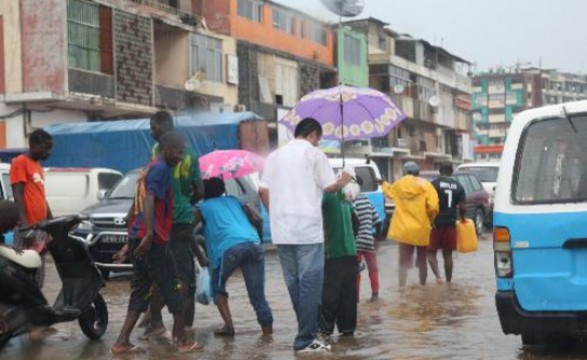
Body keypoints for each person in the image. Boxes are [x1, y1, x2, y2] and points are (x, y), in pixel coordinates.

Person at [259, 118, 352, 353]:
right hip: (308, 230)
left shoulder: (274, 156)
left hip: (282, 231)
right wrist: (345, 178)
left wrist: (276, 214)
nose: (318, 143)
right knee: (310, 285)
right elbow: (330, 186)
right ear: (313, 134)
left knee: (294, 284)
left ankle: (305, 334)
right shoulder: (313, 154)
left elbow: (262, 189)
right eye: (318, 140)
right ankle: (304, 340)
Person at [111, 131, 203, 354]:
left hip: (139, 237)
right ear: (168, 149)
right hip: (152, 240)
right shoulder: (161, 170)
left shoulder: (147, 169)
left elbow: (135, 207)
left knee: (140, 290)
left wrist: (129, 242)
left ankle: (121, 342)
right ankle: (181, 341)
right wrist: (150, 235)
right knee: (174, 286)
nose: (181, 158)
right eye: (179, 153)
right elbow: (150, 200)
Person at [195, 177, 273, 337]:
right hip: (254, 244)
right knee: (257, 295)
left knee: (217, 286)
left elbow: (187, 227)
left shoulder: (202, 207)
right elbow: (258, 218)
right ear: (222, 188)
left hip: (229, 248)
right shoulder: (234, 200)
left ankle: (229, 327)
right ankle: (268, 334)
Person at [382, 161, 439, 287]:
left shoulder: (400, 184)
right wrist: (430, 220)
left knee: (403, 262)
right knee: (422, 261)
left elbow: (389, 192)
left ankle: (401, 288)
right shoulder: (427, 186)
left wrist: (383, 183)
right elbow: (433, 207)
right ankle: (423, 286)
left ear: (405, 172)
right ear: (418, 172)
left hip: (404, 230)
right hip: (421, 229)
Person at [10, 129, 54, 288]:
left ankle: (36, 309)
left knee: (38, 275)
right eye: (45, 148)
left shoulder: (37, 166)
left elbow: (41, 196)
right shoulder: (20, 162)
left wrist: (52, 223)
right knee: (23, 273)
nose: (48, 152)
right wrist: (24, 227)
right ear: (33, 145)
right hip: (28, 227)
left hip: (40, 226)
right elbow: (18, 195)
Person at [318, 179, 358, 339]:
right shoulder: (345, 196)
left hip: (333, 252)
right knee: (349, 296)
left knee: (330, 295)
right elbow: (357, 223)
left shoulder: (324, 196)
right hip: (350, 252)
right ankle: (347, 330)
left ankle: (324, 331)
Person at [428, 162, 466, 283]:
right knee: (448, 254)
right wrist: (463, 218)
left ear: (439, 171)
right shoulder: (459, 187)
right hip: (450, 224)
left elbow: (427, 204)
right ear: (452, 171)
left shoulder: (433, 185)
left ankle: (439, 277)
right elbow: (463, 208)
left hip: (435, 224)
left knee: (431, 252)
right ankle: (449, 281)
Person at [352, 176, 382, 302]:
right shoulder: (367, 200)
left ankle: (356, 299)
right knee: (373, 270)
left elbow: (354, 222)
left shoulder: (353, 202)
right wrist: (376, 238)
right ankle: (375, 295)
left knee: (356, 272)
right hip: (369, 241)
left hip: (356, 243)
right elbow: (378, 222)